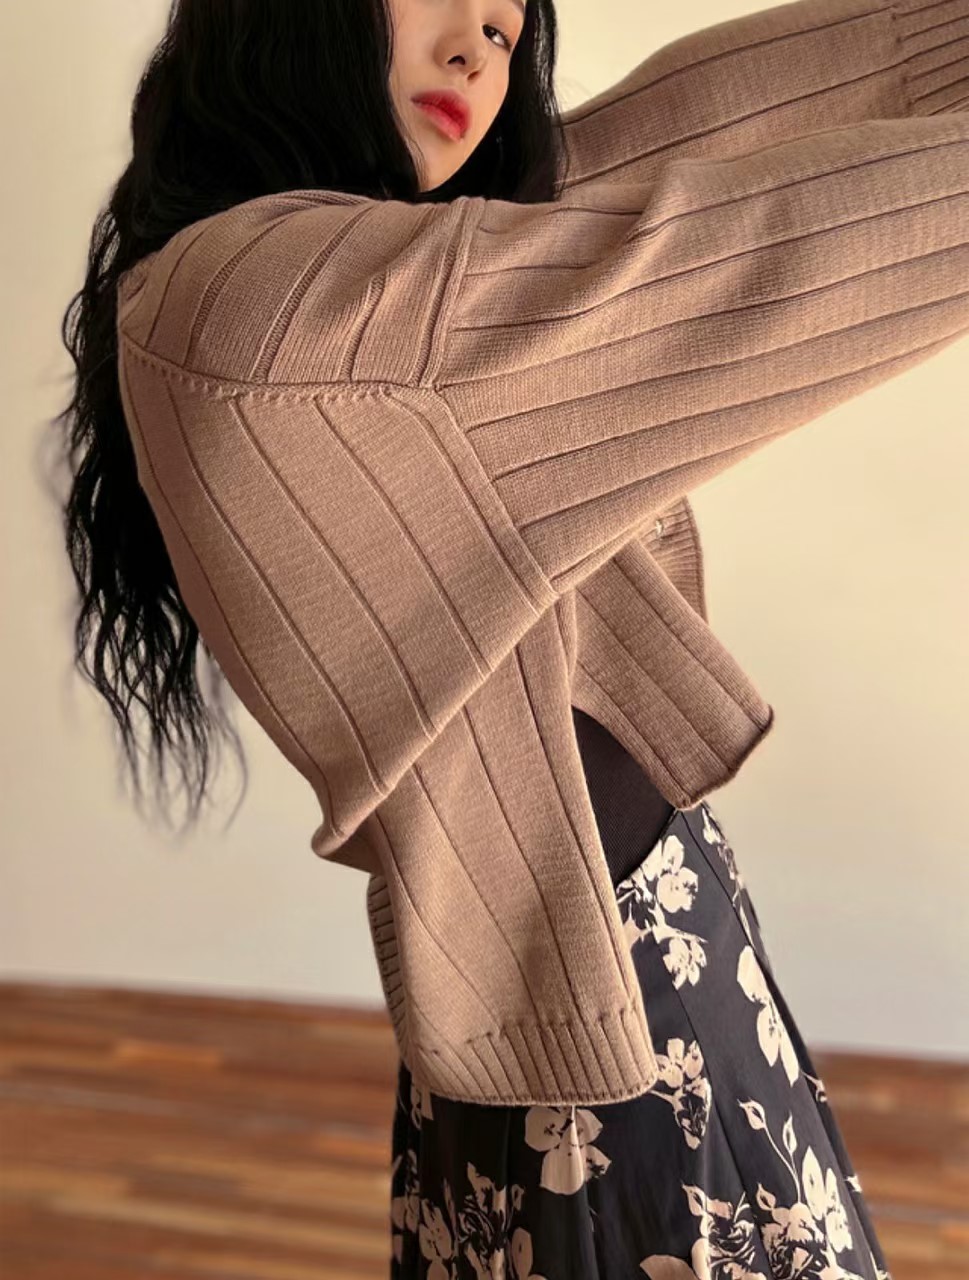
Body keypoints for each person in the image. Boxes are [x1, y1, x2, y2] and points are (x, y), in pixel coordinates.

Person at [57, 0, 968, 1275]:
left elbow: (684, 128)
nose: (476, 50)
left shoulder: (297, 270)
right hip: (615, 1039)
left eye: (504, 26)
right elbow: (741, 248)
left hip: (603, 963)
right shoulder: (276, 310)